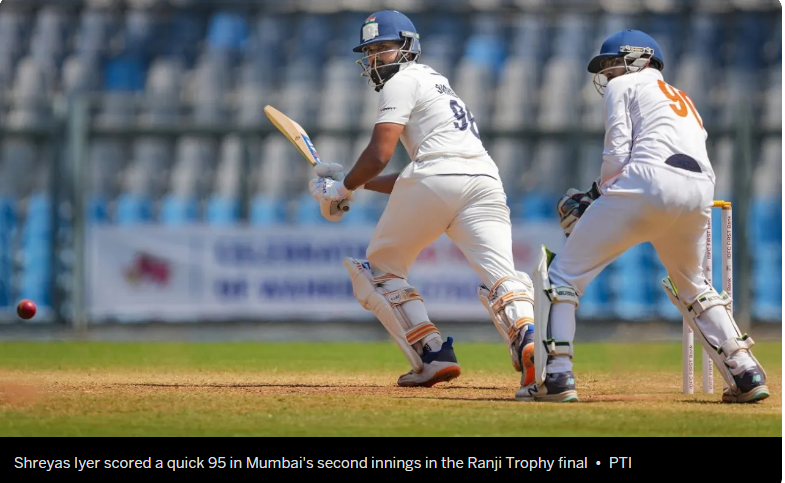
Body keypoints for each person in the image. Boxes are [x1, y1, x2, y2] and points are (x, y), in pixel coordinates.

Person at [517, 29, 770, 403]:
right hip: (699, 189)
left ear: (638, 59)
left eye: (611, 65)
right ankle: (745, 371)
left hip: (648, 182)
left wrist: (596, 195)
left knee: (562, 277)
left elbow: (617, 154)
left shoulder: (626, 86)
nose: (607, 75)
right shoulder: (684, 97)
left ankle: (557, 376)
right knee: (694, 285)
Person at [309, 10, 536, 390]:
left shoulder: (400, 81)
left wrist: (341, 189)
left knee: (380, 271)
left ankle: (433, 355)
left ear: (407, 47)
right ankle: (530, 341)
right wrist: (357, 184)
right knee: (502, 276)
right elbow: (423, 171)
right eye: (370, 50)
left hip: (436, 179)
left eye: (383, 47)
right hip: (484, 180)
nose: (374, 57)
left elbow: (383, 155)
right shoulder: (440, 84)